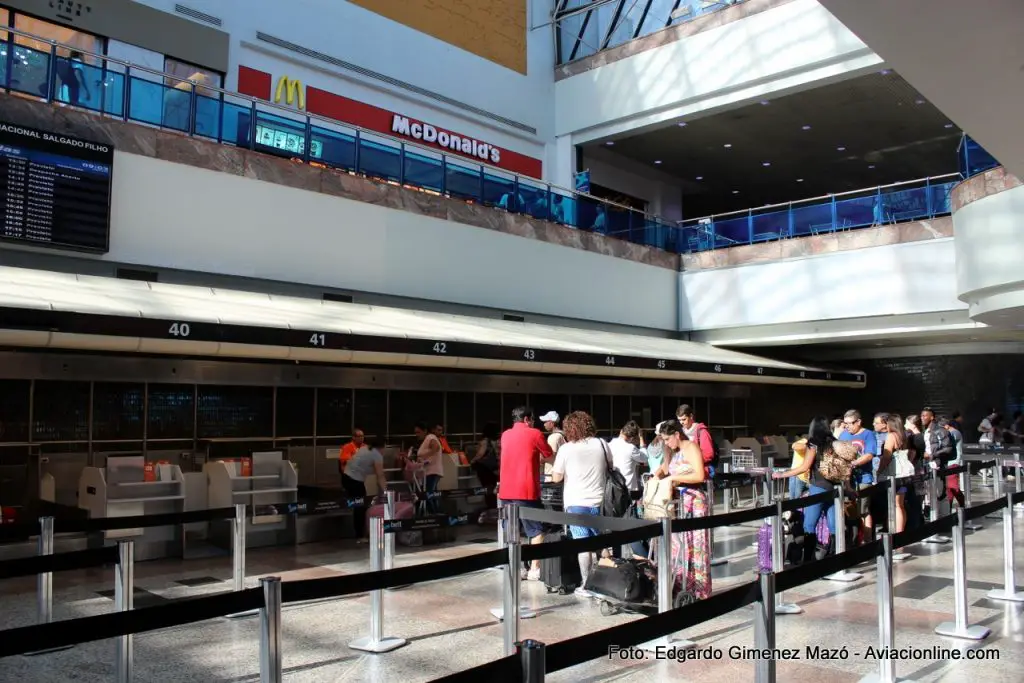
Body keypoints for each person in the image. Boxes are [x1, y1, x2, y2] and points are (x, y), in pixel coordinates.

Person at [552, 411, 613, 597]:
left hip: (576, 503)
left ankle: (586, 584)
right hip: (600, 502)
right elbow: (611, 467)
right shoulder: (602, 444)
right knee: (601, 543)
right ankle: (610, 581)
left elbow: (556, 477)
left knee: (583, 545)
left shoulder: (566, 449)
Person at [652, 419, 710, 600]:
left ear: (677, 435)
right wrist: (655, 477)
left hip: (694, 501)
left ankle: (699, 590)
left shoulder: (690, 448)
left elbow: (699, 474)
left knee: (696, 545)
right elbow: (664, 468)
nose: (666, 443)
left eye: (668, 439)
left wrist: (674, 478)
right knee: (679, 545)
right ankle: (681, 584)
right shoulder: (673, 452)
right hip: (678, 503)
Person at [499, 406, 554, 581]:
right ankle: (534, 569)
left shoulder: (505, 435)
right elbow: (549, 454)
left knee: (512, 530)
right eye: (532, 419)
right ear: (526, 419)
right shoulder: (535, 433)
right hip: (526, 490)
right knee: (536, 530)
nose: (533, 423)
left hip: (506, 490)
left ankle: (516, 567)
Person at [608, 420, 650, 559]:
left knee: (616, 528)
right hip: (628, 492)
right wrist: (643, 442)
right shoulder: (630, 448)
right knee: (631, 528)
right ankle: (644, 558)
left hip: (612, 492)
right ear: (633, 438)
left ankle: (617, 558)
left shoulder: (609, 445)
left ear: (621, 431)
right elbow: (645, 458)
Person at [839, 410, 878, 542]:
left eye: (850, 423)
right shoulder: (843, 435)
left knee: (863, 510)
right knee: (848, 509)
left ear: (859, 422)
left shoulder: (868, 434)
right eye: (845, 424)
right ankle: (853, 539)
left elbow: (869, 454)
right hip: (847, 479)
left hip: (864, 477)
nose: (847, 426)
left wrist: (854, 463)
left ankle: (867, 540)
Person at [342, 436, 386, 538]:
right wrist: (386, 492)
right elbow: (380, 475)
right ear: (382, 446)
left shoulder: (364, 448)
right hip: (354, 480)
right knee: (361, 506)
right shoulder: (377, 454)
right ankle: (360, 535)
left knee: (359, 505)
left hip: (346, 478)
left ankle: (360, 533)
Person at [881, 415, 908, 533]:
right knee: (900, 505)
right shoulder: (903, 436)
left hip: (894, 474)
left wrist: (879, 470)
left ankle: (896, 532)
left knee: (895, 504)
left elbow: (886, 456)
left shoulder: (891, 436)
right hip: (904, 474)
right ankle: (901, 530)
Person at [676, 404, 715, 475]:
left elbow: (708, 454)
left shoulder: (702, 431)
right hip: (684, 471)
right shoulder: (680, 432)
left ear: (691, 416)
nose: (681, 422)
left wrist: (690, 461)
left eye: (684, 419)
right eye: (679, 420)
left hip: (700, 472)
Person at [415, 422, 445, 513]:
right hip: (431, 471)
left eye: (418, 432)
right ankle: (437, 514)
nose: (416, 435)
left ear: (425, 431)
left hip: (432, 471)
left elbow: (435, 448)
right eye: (415, 432)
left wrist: (423, 458)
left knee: (428, 495)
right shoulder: (428, 439)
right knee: (433, 495)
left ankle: (434, 515)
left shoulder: (430, 437)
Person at [469, 422, 500, 508]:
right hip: (495, 468)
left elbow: (480, 454)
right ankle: (496, 506)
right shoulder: (497, 441)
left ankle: (491, 506)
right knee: (495, 489)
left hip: (485, 470)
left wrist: (472, 461)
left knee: (487, 489)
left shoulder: (485, 441)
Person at [540, 411, 566, 480]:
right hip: (560, 476)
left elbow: (552, 456)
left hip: (551, 477)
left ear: (552, 423)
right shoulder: (563, 435)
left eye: (545, 422)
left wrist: (541, 459)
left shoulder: (553, 437)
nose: (544, 425)